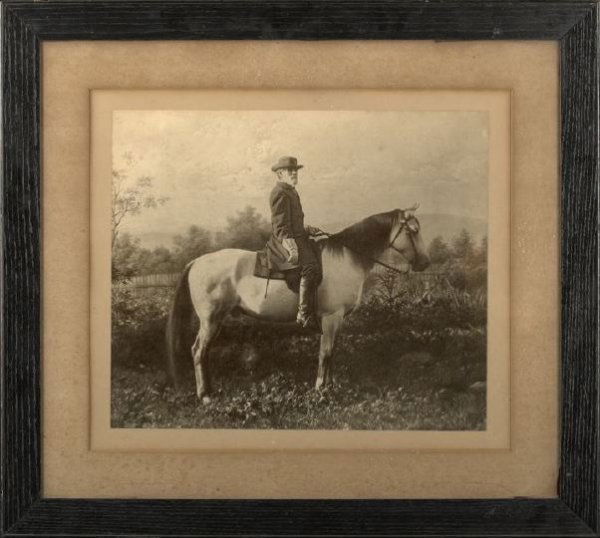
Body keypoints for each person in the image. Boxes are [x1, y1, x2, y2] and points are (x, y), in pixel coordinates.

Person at [266, 156, 322, 332]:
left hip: (297, 236)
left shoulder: (291, 191)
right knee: (310, 267)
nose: (294, 173)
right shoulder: (279, 192)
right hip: (285, 240)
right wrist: (292, 247)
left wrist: (307, 229)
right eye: (290, 171)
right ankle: (304, 314)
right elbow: (281, 226)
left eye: (295, 170)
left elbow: (293, 222)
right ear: (279, 174)